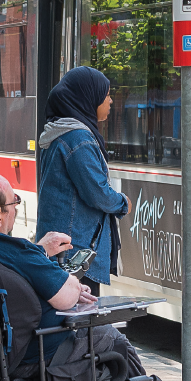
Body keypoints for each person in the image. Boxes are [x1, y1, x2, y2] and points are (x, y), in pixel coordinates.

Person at [0, 171, 144, 381]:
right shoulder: (16, 251)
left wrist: (39, 251)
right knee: (112, 339)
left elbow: (13, 273)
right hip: (31, 354)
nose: (15, 207)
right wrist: (74, 286)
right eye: (14, 202)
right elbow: (67, 296)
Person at [37, 66, 130, 297]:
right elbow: (96, 192)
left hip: (63, 247)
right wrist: (122, 202)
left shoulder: (60, 132)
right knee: (81, 322)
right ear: (88, 98)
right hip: (76, 252)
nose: (110, 101)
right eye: (105, 95)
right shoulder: (78, 138)